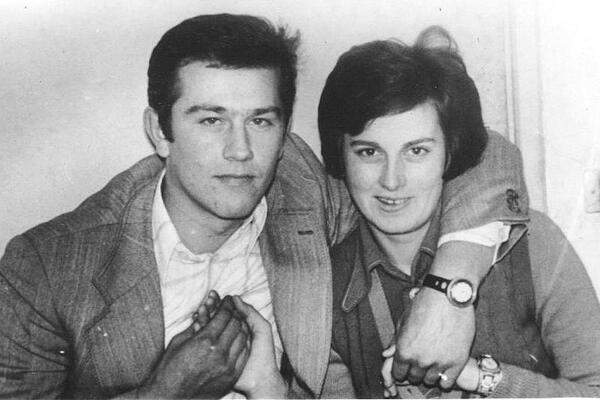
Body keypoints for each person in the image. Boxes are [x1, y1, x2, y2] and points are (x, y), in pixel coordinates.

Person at [0, 15, 528, 398]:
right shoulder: (47, 267)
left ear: (284, 128)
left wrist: (448, 292)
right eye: (211, 120)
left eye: (260, 120)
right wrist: (163, 393)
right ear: (159, 131)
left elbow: (481, 155)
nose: (240, 150)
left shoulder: (307, 194)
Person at [320, 26, 600, 398]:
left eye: (416, 151)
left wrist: (476, 377)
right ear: (340, 156)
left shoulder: (534, 245)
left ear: (448, 153)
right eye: (369, 152)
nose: (392, 180)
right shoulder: (324, 287)